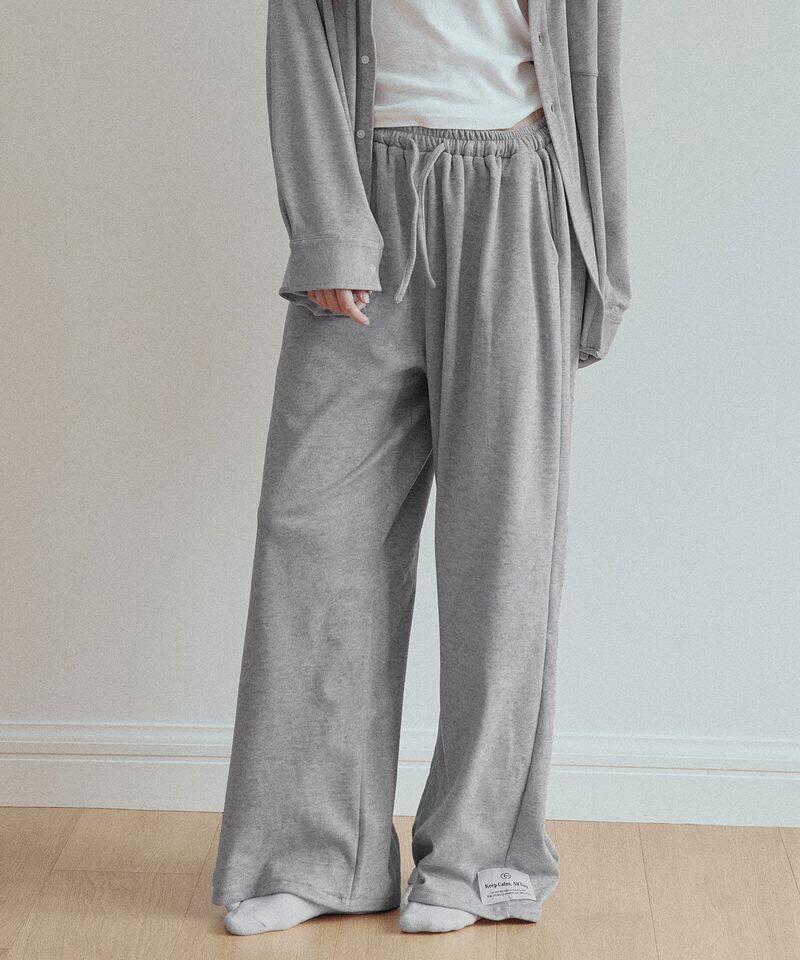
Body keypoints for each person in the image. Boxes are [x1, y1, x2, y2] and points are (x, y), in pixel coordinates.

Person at [212, 0, 631, 937]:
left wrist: (601, 260)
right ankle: (314, 855)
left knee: (504, 545)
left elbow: (592, 63)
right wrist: (327, 228)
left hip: (521, 196)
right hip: (369, 190)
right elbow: (302, 39)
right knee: (313, 535)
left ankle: (477, 859)